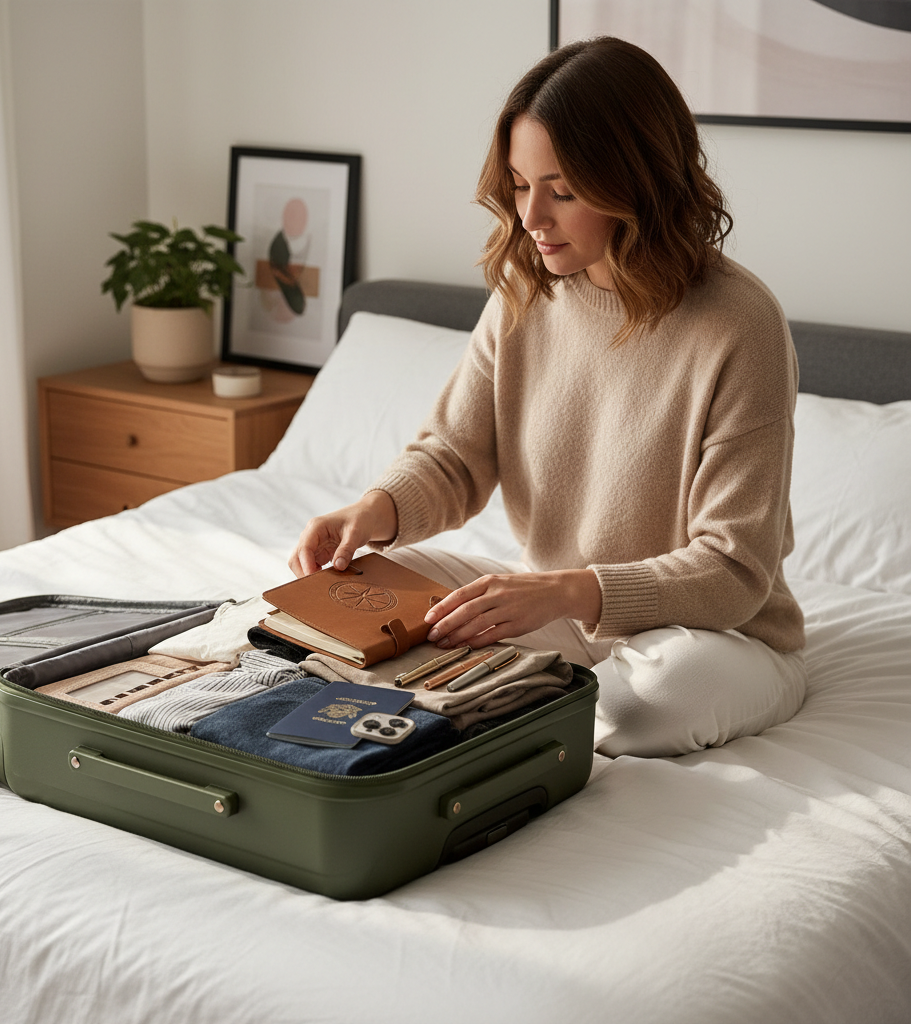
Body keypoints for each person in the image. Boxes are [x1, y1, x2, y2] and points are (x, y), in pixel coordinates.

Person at [289, 37, 807, 758]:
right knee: (333, 610)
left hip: (716, 637)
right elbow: (456, 454)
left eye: (561, 190)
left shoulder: (739, 322)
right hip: (560, 609)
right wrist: (375, 510)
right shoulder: (525, 290)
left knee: (638, 709)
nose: (532, 216)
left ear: (638, 180)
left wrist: (568, 592)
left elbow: (734, 570)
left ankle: (509, 692)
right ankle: (510, 686)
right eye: (519, 183)